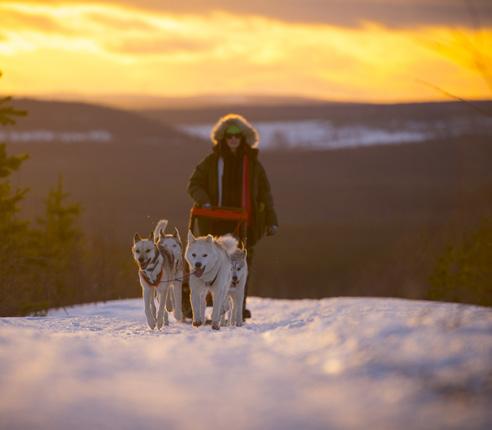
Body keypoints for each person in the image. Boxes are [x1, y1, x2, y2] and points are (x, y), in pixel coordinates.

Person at [187, 113, 278, 319]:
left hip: (246, 223)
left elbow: (265, 194)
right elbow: (194, 183)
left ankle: (238, 307)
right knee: (213, 263)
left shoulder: (253, 165)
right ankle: (210, 307)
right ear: (223, 138)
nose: (233, 139)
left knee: (241, 263)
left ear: (244, 138)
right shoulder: (211, 161)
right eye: (229, 136)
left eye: (237, 135)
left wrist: (272, 221)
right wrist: (205, 201)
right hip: (214, 222)